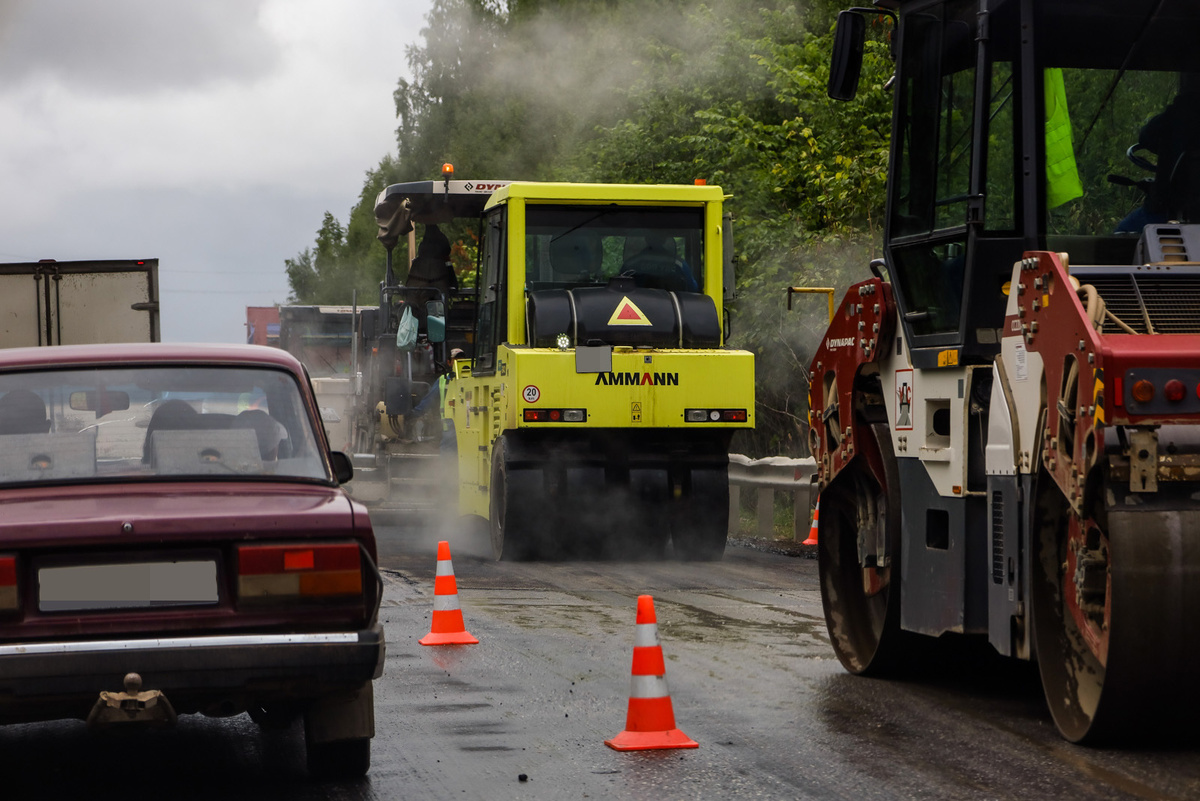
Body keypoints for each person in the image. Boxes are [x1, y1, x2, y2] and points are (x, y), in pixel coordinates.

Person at [406, 224, 457, 303]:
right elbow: (454, 288)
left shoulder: (416, 264)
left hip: (416, 308)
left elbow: (408, 290)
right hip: (438, 309)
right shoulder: (443, 265)